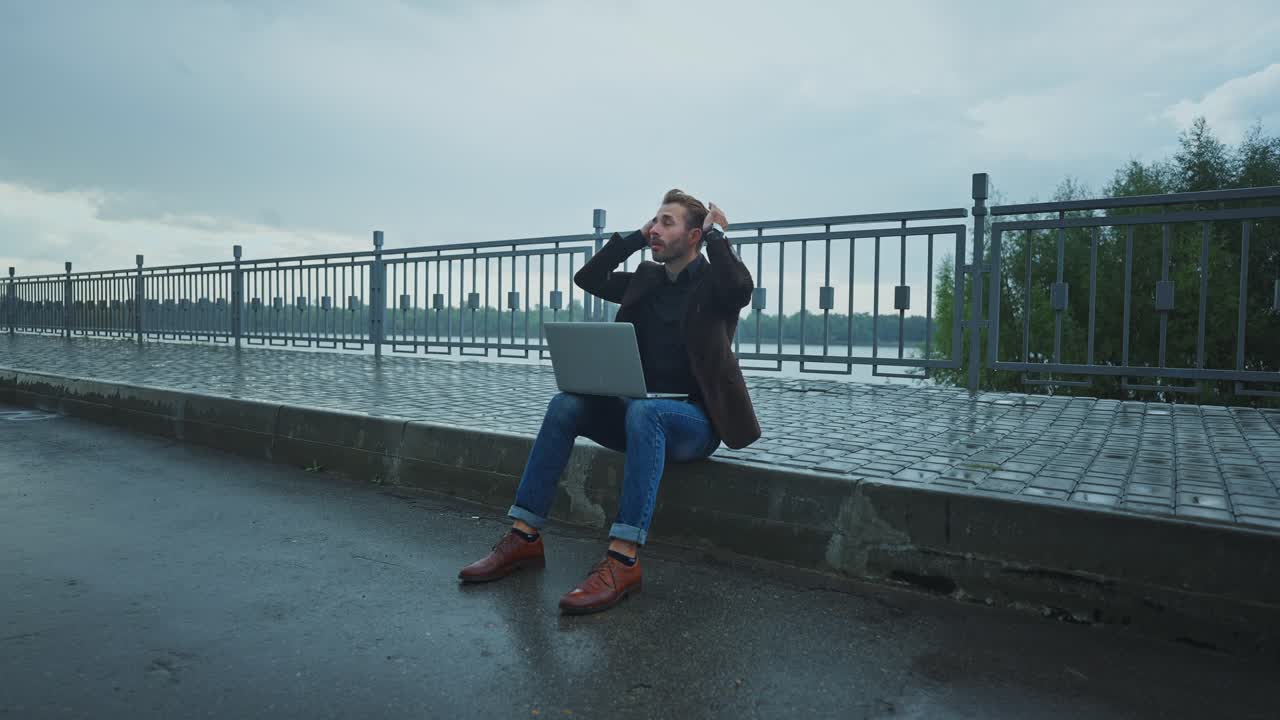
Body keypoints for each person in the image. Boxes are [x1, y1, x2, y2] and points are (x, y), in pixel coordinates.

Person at [458, 189, 761, 614]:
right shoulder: (647, 279)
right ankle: (523, 536)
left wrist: (717, 236)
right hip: (639, 414)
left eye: (666, 223)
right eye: (654, 220)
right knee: (566, 404)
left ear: (694, 235)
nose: (656, 228)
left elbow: (740, 288)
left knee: (646, 412)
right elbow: (589, 278)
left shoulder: (714, 284)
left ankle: (623, 559)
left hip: (694, 422)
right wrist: (639, 237)